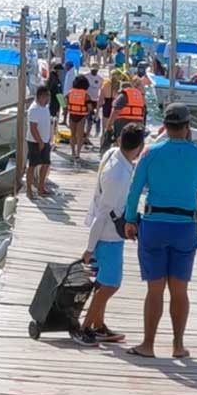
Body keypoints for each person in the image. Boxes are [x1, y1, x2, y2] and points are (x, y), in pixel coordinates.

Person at [124, 103, 197, 359]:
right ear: (187, 128)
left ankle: (148, 344)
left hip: (154, 223)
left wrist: (130, 219)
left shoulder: (150, 153)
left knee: (154, 289)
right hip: (185, 226)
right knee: (179, 290)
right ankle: (178, 345)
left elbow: (134, 190)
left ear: (165, 126)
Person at [75, 124, 147, 345]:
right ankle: (85, 327)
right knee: (111, 284)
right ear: (140, 146)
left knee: (102, 282)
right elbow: (103, 213)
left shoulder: (112, 154)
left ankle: (98, 325)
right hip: (108, 236)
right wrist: (89, 248)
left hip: (107, 233)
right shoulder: (118, 176)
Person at [25, 87, 55, 198]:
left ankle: (41, 187)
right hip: (34, 141)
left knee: (46, 163)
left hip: (45, 140)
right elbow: (33, 128)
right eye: (46, 96)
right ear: (40, 96)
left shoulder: (45, 107)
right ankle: (29, 189)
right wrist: (40, 141)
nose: (48, 99)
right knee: (32, 165)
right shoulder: (34, 109)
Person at [110, 76, 147, 148]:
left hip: (123, 122)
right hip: (137, 122)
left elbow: (116, 111)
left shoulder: (123, 95)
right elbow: (143, 112)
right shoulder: (139, 96)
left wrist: (109, 125)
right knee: (134, 143)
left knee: (120, 142)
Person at [65, 75, 91, 160]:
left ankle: (72, 151)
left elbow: (65, 103)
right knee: (80, 136)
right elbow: (90, 107)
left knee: (72, 135)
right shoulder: (86, 94)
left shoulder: (70, 92)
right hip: (81, 115)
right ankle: (78, 153)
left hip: (72, 114)